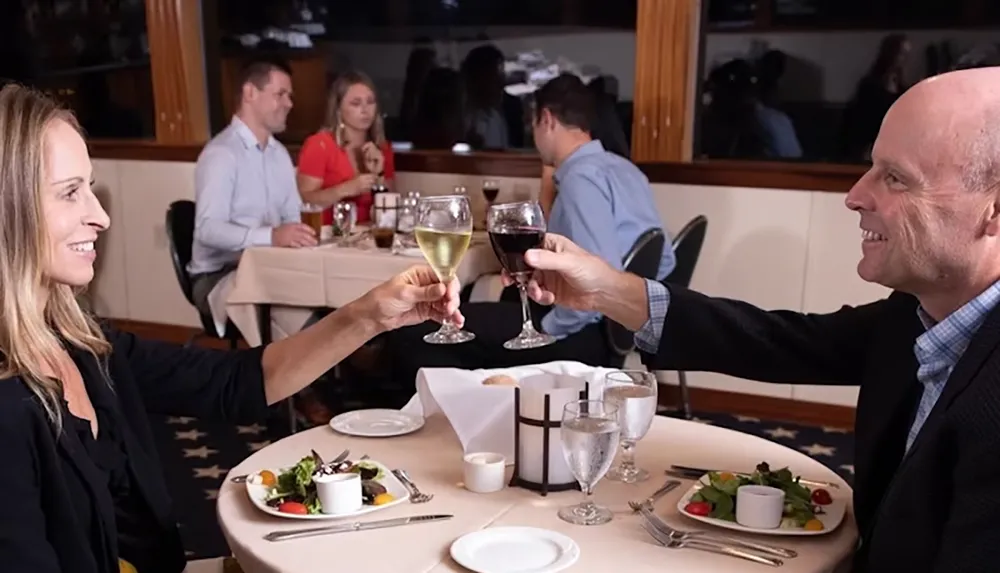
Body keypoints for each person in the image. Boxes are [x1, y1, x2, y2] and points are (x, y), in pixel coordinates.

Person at [508, 67, 1000, 572]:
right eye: (870, 168)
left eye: (895, 177)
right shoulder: (920, 314)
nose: (855, 195)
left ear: (993, 209)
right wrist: (607, 289)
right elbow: (778, 340)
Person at [0, 83, 463, 573]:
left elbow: (235, 382)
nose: (101, 217)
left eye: (89, 188)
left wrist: (370, 314)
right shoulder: (9, 409)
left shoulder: (81, 344)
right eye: (70, 193)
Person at [387, 74, 674, 380]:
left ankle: (455, 418)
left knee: (414, 332)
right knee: (494, 306)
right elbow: (667, 260)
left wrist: (547, 330)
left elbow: (591, 295)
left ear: (547, 119)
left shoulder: (581, 181)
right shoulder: (624, 169)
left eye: (533, 125)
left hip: (580, 337)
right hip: (615, 335)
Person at [188, 58, 316, 320]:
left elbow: (292, 218)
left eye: (289, 96)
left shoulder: (279, 154)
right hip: (217, 275)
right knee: (300, 316)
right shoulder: (221, 154)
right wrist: (272, 237)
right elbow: (207, 230)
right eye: (281, 94)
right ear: (250, 93)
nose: (289, 104)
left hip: (271, 266)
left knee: (330, 302)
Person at [296, 70, 395, 226]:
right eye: (356, 103)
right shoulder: (319, 145)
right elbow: (305, 201)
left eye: (370, 102)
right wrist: (346, 189)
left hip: (367, 237)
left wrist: (379, 174)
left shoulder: (382, 148)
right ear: (338, 109)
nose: (365, 110)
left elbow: (390, 211)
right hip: (326, 236)